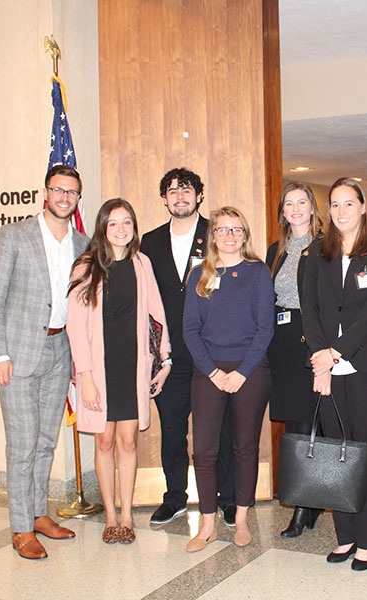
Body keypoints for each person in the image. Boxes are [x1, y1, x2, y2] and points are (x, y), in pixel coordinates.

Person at [0, 164, 89, 559]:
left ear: (79, 198)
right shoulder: (14, 236)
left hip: (60, 352)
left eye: (71, 192)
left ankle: (38, 513)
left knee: (46, 441)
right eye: (58, 190)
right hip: (19, 353)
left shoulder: (82, 243)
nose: (64, 197)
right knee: (22, 445)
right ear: (44, 193)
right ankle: (21, 528)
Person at [301, 178, 367, 571]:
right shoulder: (314, 255)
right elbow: (310, 310)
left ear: (362, 206)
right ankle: (346, 535)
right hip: (327, 368)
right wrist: (321, 360)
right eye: (334, 205)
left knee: (366, 452)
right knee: (336, 455)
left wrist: (335, 354)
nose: (341, 211)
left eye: (348, 203)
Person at [66, 198, 172, 544]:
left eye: (127, 222)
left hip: (133, 366)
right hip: (99, 369)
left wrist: (164, 360)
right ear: (103, 228)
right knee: (105, 439)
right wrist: (87, 377)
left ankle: (127, 513)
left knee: (128, 441)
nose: (121, 229)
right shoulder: (86, 267)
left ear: (134, 227)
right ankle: (110, 515)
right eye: (113, 223)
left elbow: (157, 315)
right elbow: (75, 327)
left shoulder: (142, 264)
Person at [140, 168, 236, 526]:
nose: (180, 196)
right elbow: (145, 301)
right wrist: (155, 354)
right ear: (164, 198)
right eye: (172, 190)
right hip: (170, 356)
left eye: (187, 190)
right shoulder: (148, 242)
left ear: (199, 195)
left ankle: (226, 497)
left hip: (213, 352)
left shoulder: (218, 234)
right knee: (173, 431)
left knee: (220, 429)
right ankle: (175, 497)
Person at [183, 206, 274, 551]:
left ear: (245, 235)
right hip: (208, 371)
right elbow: (190, 331)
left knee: (245, 448)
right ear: (213, 236)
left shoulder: (257, 272)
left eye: (237, 229)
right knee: (204, 450)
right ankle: (207, 524)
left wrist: (240, 373)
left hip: (249, 371)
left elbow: (264, 328)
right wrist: (215, 373)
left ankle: (240, 520)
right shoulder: (199, 275)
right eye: (223, 229)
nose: (230, 235)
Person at [265, 181, 323, 538]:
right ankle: (308, 500)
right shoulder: (277, 249)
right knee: (293, 429)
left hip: (312, 342)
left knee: (312, 426)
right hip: (283, 346)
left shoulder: (326, 247)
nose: (296, 208)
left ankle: (305, 505)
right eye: (289, 203)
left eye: (302, 202)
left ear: (313, 208)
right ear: (283, 211)